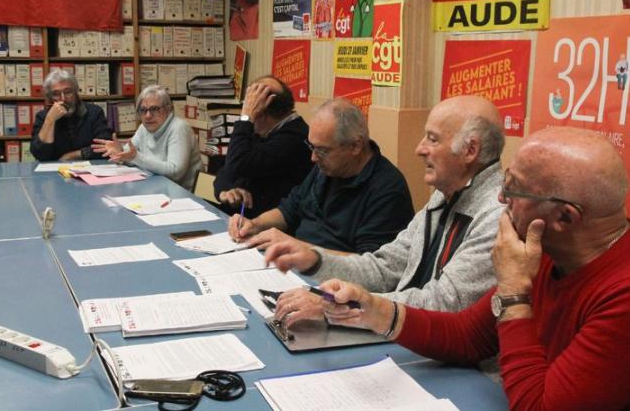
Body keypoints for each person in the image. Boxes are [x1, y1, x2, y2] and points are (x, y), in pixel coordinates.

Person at [317, 127, 630, 410]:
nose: (500, 197)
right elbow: (468, 335)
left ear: (564, 218)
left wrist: (513, 293)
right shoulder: (549, 251)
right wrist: (374, 309)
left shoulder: (620, 295)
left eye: (514, 190)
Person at [266, 95, 505, 328]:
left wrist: (336, 307)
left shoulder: (496, 216)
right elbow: (384, 269)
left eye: (432, 139)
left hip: (458, 363)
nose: (420, 149)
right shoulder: (443, 197)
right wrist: (315, 260)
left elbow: (445, 303)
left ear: (470, 150)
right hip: (409, 335)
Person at [229, 98, 414, 254]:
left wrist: (301, 250)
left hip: (337, 286)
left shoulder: (387, 189)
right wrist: (254, 224)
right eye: (312, 146)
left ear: (355, 146)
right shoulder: (327, 169)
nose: (313, 157)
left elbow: (371, 267)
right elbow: (289, 210)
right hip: (299, 269)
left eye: (323, 150)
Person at [214, 76, 313, 217]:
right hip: (240, 218)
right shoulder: (265, 131)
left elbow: (237, 163)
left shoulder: (294, 138)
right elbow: (226, 168)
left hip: (267, 226)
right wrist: (226, 191)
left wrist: (246, 118)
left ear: (260, 113)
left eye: (249, 107)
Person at [92, 85, 202, 191]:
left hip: (182, 196)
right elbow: (131, 156)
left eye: (154, 109)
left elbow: (175, 173)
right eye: (143, 110)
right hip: (154, 187)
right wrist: (121, 153)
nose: (148, 115)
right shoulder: (144, 127)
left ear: (168, 109)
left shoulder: (178, 128)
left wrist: (136, 157)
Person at [30, 69, 112, 161]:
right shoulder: (43, 117)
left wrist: (72, 155)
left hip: (89, 169)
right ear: (50, 97)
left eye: (68, 92)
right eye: (56, 94)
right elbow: (39, 154)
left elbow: (106, 147)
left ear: (76, 92)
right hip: (53, 171)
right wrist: (50, 120)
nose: (63, 99)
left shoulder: (94, 113)